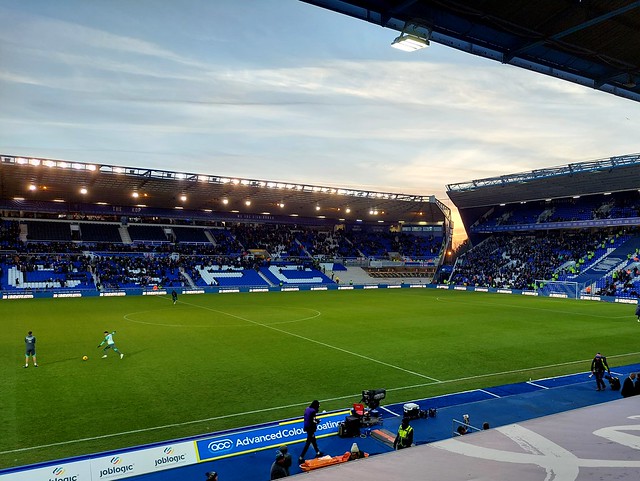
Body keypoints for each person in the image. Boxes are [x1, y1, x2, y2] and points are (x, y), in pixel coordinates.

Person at [298, 400, 323, 464]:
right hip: (310, 428)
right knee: (308, 442)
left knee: (313, 440)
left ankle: (318, 452)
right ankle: (301, 457)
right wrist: (318, 421)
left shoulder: (307, 409)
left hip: (306, 426)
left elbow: (308, 418)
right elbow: (313, 421)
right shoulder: (313, 411)